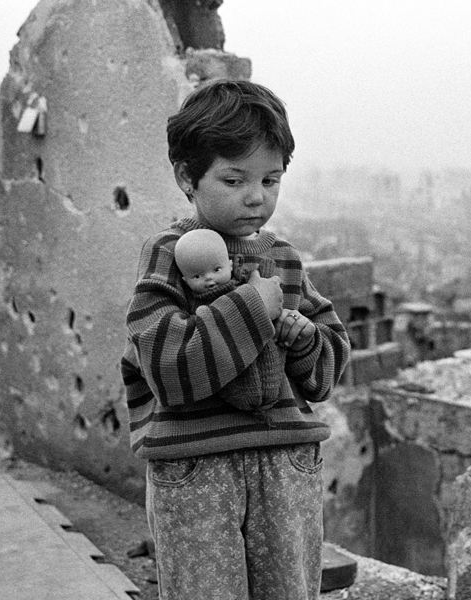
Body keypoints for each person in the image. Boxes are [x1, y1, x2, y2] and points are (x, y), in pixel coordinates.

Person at [120, 79, 351, 600]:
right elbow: (169, 370)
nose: (256, 196)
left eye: (271, 180)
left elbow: (327, 373)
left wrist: (304, 338)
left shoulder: (284, 257)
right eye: (234, 179)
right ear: (187, 177)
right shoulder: (169, 255)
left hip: (285, 465)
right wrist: (254, 308)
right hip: (198, 469)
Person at [173, 228, 285, 420]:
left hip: (269, 369)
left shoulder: (243, 285)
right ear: (185, 280)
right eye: (197, 276)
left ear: (231, 265)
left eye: (217, 270)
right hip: (232, 385)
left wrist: (263, 277)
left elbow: (263, 286)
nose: (209, 279)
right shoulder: (195, 306)